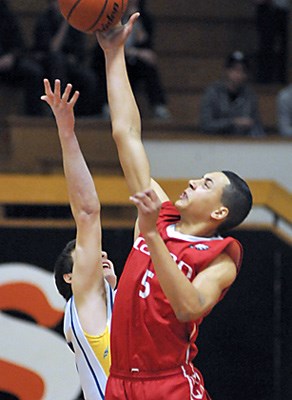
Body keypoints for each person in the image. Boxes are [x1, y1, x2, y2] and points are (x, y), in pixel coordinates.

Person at [96, 14, 253, 400]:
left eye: (206, 184)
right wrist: (114, 55)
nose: (192, 182)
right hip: (119, 382)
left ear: (219, 213)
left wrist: (151, 234)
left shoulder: (221, 257)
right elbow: (127, 134)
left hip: (169, 385)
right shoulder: (160, 213)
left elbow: (189, 307)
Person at [41, 78, 117, 399]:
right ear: (71, 277)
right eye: (84, 253)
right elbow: (87, 211)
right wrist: (67, 132)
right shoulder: (84, 300)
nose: (99, 254)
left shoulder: (121, 298)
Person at [91, 0, 171, 120]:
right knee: (103, 66)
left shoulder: (146, 19)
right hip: (112, 59)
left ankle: (159, 106)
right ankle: (106, 105)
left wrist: (135, 20)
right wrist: (134, 52)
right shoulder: (110, 17)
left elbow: (145, 45)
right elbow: (103, 46)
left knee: (148, 66)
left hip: (133, 63)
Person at [33, 0, 98, 117]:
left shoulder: (75, 21)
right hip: (48, 64)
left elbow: (80, 51)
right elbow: (52, 48)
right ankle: (59, 110)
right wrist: (64, 24)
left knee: (89, 78)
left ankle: (84, 116)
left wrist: (74, 58)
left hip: (70, 63)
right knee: (57, 62)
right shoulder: (44, 20)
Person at [199, 50, 265, 136]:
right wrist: (233, 122)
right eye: (235, 69)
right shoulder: (213, 93)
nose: (238, 74)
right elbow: (206, 124)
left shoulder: (250, 95)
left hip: (243, 143)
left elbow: (256, 125)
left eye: (243, 71)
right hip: (215, 142)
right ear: (227, 71)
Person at [0, 0, 44, 116]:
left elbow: (19, 44)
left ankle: (34, 119)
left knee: (34, 72)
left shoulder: (4, 14)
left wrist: (11, 56)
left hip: (7, 63)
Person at [254, 0, 289, 84]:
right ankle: (264, 79)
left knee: (286, 46)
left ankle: (282, 78)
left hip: (285, 9)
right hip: (265, 7)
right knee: (266, 45)